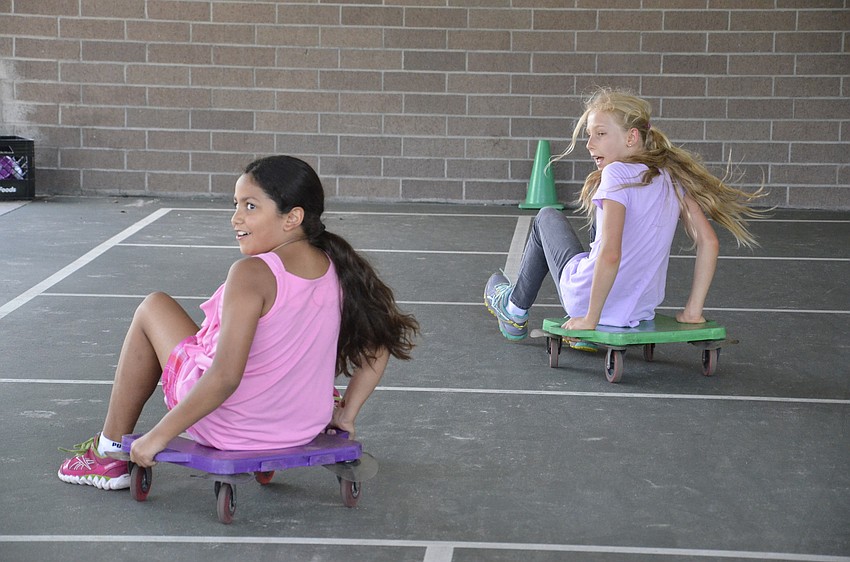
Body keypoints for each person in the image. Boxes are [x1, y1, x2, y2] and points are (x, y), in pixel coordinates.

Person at [58, 155, 419, 490]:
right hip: (302, 425)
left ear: (292, 217)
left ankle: (107, 455)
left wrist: (157, 436)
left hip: (232, 428)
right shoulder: (338, 266)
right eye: (236, 205)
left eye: (250, 206)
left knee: (154, 307)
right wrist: (346, 414)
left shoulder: (252, 273)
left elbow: (225, 376)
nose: (236, 219)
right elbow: (379, 342)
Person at [485, 87, 765, 343]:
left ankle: (514, 309)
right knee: (601, 226)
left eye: (601, 134)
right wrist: (693, 311)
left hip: (587, 302)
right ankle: (574, 317)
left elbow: (610, 253)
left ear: (631, 137)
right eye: (589, 136)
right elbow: (709, 242)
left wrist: (590, 320)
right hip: (639, 309)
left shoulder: (615, 174)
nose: (590, 144)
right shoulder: (671, 179)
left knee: (546, 217)